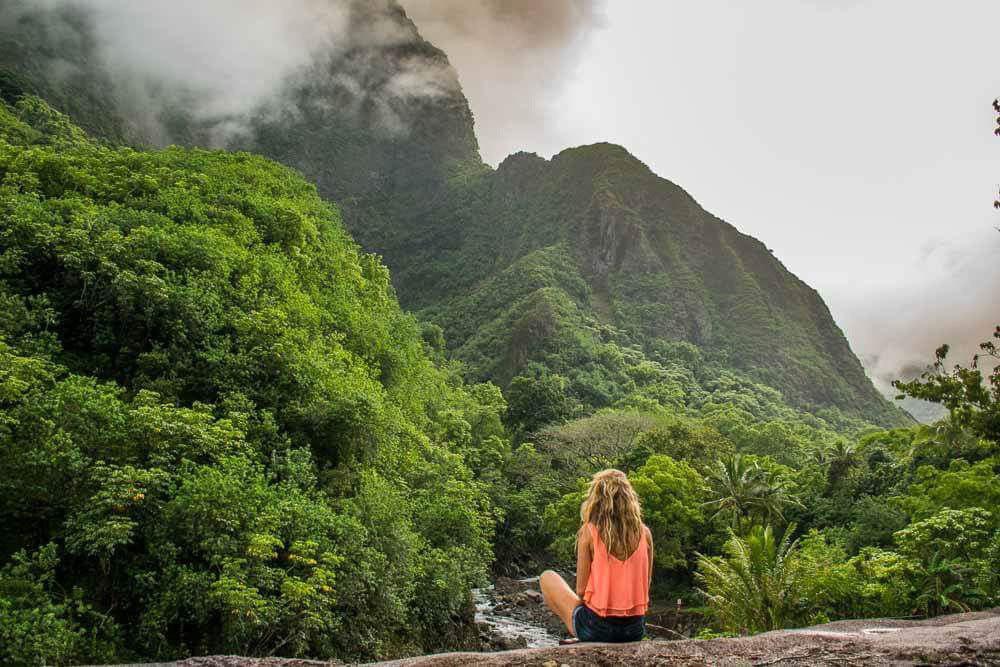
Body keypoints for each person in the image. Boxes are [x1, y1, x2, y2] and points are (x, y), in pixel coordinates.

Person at [540, 469, 653, 642]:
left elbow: (581, 591)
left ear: (597, 499)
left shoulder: (589, 532)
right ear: (630, 498)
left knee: (547, 577)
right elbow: (646, 583)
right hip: (635, 630)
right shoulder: (645, 534)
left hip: (597, 629)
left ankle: (581, 632)